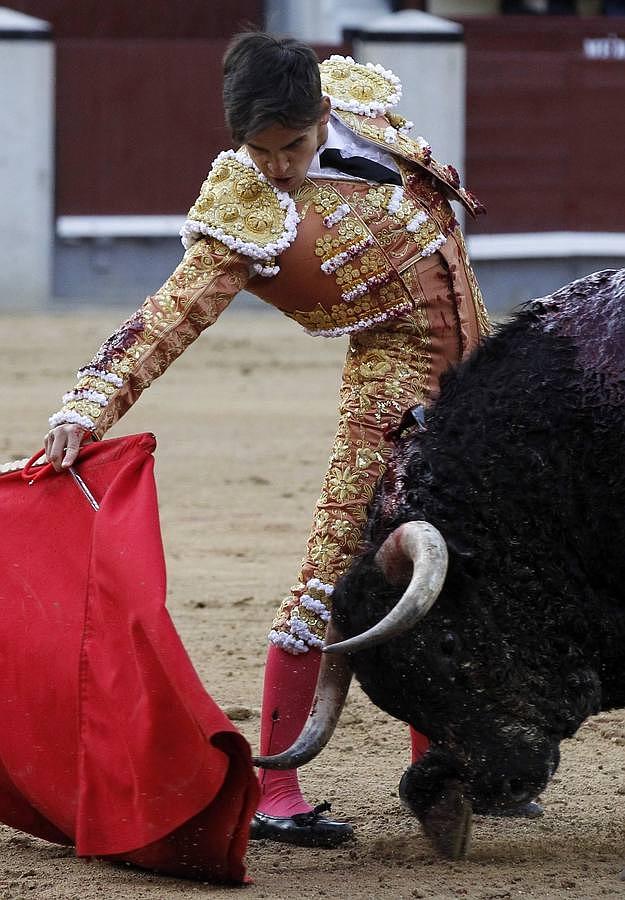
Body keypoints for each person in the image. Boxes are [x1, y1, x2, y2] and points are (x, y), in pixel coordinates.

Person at [44, 32, 492, 848]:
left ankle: (447, 769)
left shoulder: (362, 110)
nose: (278, 165)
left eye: (290, 145)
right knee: (335, 572)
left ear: (323, 114)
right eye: (259, 148)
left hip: (483, 372)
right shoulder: (244, 208)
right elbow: (166, 317)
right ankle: (276, 791)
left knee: (468, 568)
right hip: (390, 391)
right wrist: (90, 403)